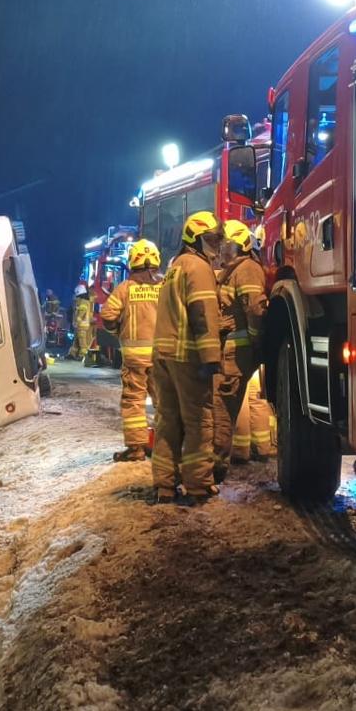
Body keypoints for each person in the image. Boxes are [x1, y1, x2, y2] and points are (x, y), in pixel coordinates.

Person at [150, 211, 223, 505]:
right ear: (195, 239)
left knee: (168, 421)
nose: (216, 245)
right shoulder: (198, 267)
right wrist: (210, 358)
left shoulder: (175, 267)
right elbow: (202, 314)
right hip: (187, 356)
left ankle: (165, 486)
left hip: (163, 356)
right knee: (198, 421)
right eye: (211, 239)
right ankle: (198, 485)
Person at [211, 220, 267, 482]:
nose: (223, 250)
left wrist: (257, 342)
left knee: (222, 409)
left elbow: (255, 309)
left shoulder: (246, 270)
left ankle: (215, 466)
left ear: (240, 246)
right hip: (230, 350)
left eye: (227, 245)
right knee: (221, 406)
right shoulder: (232, 271)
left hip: (236, 352)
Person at [99, 240, 161, 462]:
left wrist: (119, 331)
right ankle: (165, 446)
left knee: (134, 401)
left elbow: (107, 316)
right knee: (163, 402)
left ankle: (136, 448)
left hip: (135, 358)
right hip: (162, 356)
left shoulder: (125, 289)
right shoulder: (164, 287)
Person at [70, 284, 94, 360]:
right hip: (80, 325)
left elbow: (81, 312)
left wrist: (77, 320)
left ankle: (83, 355)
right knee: (76, 341)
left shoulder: (83, 302)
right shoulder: (83, 301)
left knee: (82, 341)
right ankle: (72, 354)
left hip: (82, 325)